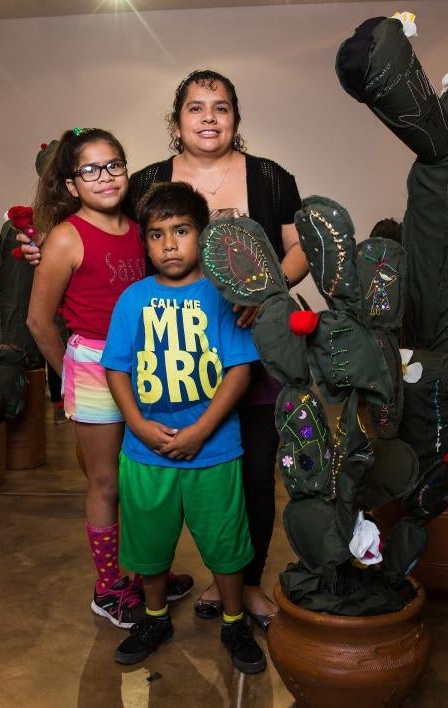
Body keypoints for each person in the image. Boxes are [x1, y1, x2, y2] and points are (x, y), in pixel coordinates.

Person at [125, 69, 309, 629]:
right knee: (167, 483)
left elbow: (300, 247)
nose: (209, 117)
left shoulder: (271, 178)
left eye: (221, 107)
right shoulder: (146, 181)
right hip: (168, 358)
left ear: (236, 119)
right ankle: (164, 581)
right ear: (177, 121)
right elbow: (106, 235)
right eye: (196, 108)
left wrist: (266, 286)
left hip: (249, 352)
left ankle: (243, 585)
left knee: (253, 472)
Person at [26, 128, 192, 629]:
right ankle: (108, 587)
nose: (105, 177)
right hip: (96, 364)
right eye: (90, 169)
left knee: (142, 478)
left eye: (114, 164)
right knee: (105, 482)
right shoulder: (65, 237)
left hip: (147, 364)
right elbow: (39, 321)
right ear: (73, 183)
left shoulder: (141, 226)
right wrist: (74, 373)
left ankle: (145, 573)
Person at [101, 181, 266, 673]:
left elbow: (240, 369)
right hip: (145, 451)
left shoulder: (221, 296)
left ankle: (234, 621)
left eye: (181, 231)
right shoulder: (133, 300)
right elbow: (116, 367)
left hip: (213, 451)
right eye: (156, 235)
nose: (169, 245)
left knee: (225, 541)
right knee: (149, 544)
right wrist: (136, 423)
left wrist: (201, 431)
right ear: (145, 242)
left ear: (202, 235)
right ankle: (154, 617)